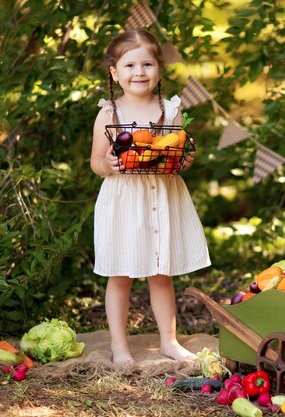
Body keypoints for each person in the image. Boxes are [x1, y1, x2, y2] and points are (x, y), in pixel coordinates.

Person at [90, 30, 211, 365]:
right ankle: (119, 346)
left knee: (161, 272)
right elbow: (96, 162)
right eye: (130, 65)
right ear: (115, 73)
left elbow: (178, 152)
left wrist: (185, 159)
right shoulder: (109, 114)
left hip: (162, 196)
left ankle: (169, 341)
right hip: (124, 201)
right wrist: (109, 164)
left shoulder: (170, 111)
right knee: (121, 274)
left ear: (159, 68)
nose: (139, 71)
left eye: (147, 63)